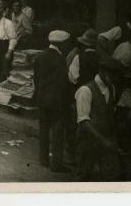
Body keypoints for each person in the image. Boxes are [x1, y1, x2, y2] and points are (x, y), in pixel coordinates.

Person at [75, 58, 123, 181]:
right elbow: (84, 121)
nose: (113, 77)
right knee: (83, 175)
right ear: (101, 71)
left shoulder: (111, 88)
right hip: (88, 141)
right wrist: (103, 140)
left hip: (105, 139)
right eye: (110, 74)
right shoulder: (85, 90)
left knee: (110, 175)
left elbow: (110, 113)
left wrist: (112, 138)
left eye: (115, 75)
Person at [33, 30, 72, 173]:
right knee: (57, 133)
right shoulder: (60, 59)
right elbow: (63, 82)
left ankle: (44, 159)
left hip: (42, 99)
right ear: (61, 44)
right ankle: (57, 164)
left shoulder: (41, 56)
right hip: (56, 101)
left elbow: (36, 78)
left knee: (43, 129)